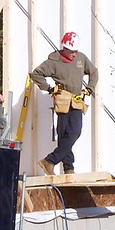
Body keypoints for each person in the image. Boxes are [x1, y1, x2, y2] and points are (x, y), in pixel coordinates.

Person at [29, 32, 97, 175]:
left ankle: (50, 161)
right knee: (64, 134)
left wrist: (89, 88)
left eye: (76, 51)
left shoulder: (81, 58)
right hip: (63, 101)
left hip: (77, 101)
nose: (74, 54)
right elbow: (36, 74)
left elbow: (94, 72)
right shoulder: (53, 62)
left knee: (75, 132)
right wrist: (49, 88)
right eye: (72, 51)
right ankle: (68, 168)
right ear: (64, 49)